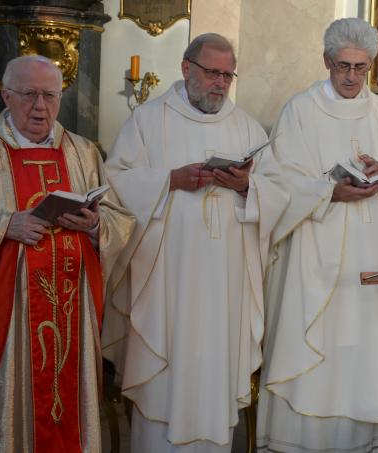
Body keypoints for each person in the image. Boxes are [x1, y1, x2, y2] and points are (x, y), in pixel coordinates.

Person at [0, 55, 135, 452]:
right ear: (5, 97)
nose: (40, 107)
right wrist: (4, 224)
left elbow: (120, 217)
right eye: (29, 95)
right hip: (6, 316)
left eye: (50, 95)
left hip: (71, 311)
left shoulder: (84, 153)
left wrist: (94, 225)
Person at [102, 33, 288, 452]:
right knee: (165, 377)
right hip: (167, 279)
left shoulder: (245, 127)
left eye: (227, 74)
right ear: (187, 69)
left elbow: (278, 193)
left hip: (226, 283)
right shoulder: (149, 121)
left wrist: (246, 187)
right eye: (212, 72)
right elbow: (115, 183)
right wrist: (170, 180)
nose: (220, 83)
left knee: (214, 372)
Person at [256, 18, 378, 453]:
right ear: (327, 61)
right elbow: (276, 179)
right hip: (313, 248)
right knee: (315, 345)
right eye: (343, 66)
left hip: (367, 255)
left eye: (360, 68)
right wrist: (330, 191)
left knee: (360, 347)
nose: (351, 77)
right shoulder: (300, 110)